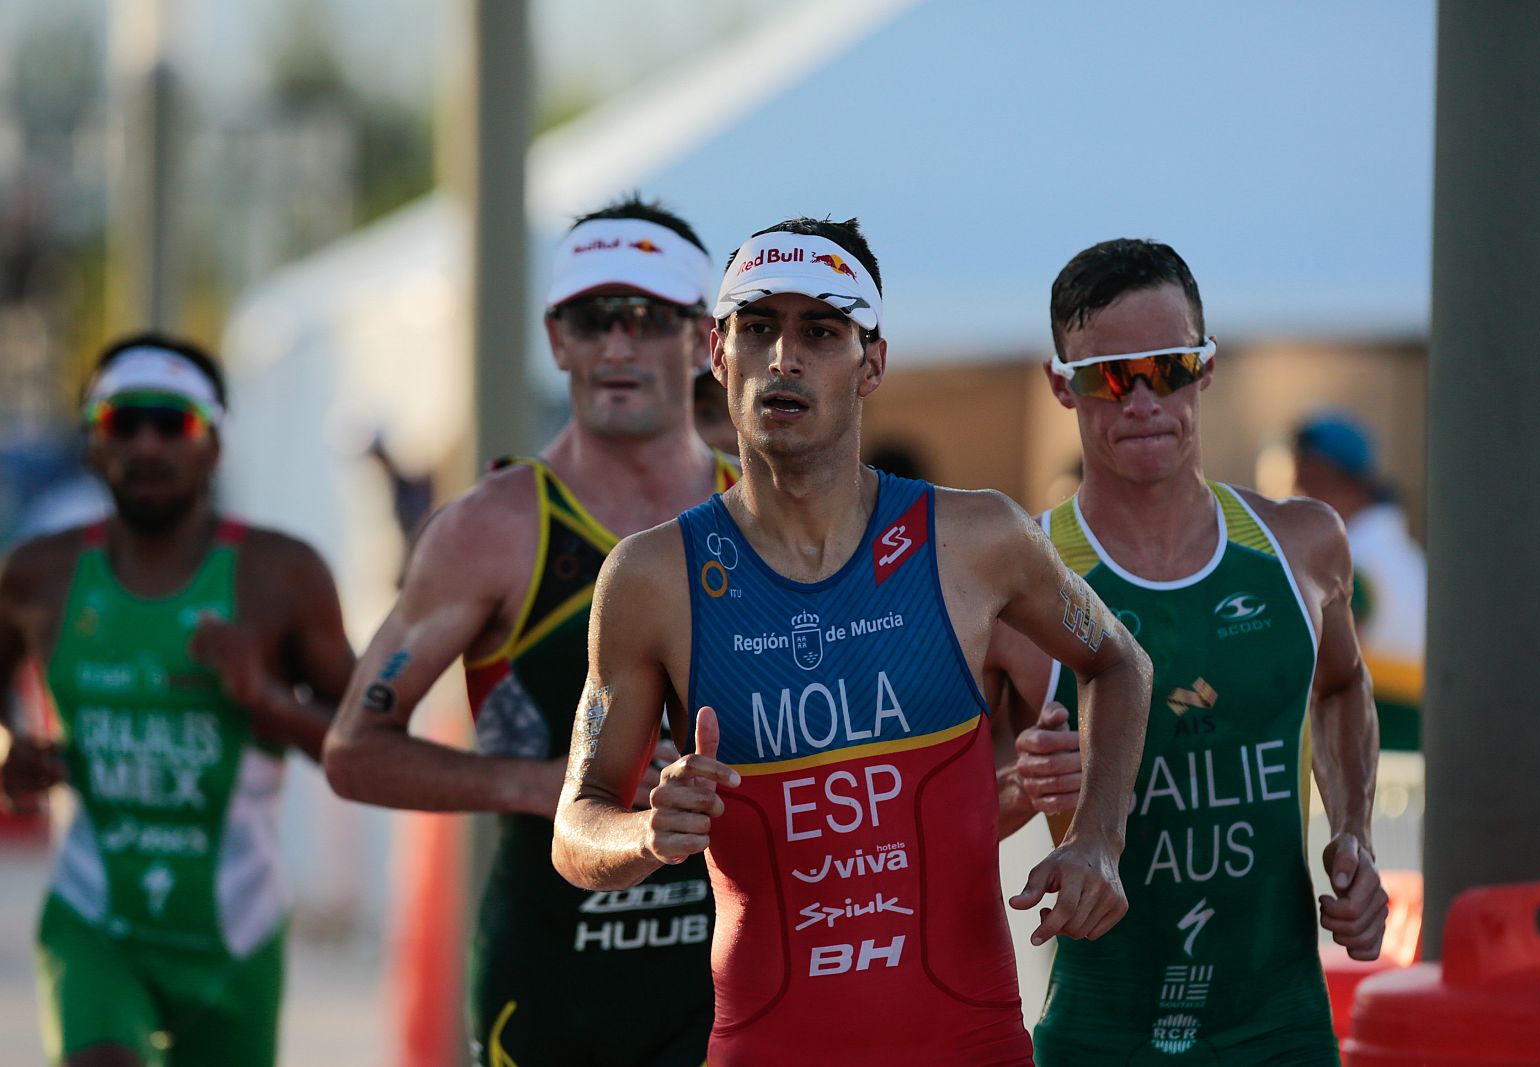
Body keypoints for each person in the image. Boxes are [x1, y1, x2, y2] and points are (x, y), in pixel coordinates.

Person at [551, 216, 1153, 1065]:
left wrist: (1099, 835)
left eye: (821, 331)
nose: (784, 359)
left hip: (966, 1043)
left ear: (872, 362)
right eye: (758, 328)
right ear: (718, 354)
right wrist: (648, 831)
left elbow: (1119, 659)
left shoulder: (976, 538)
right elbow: (575, 827)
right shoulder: (651, 579)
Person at [322, 197, 736, 1067]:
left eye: (648, 317)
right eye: (593, 320)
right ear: (558, 340)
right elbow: (354, 748)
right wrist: (543, 785)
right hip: (555, 986)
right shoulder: (495, 528)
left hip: (732, 986)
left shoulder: (762, 512)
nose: (617, 347)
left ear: (707, 339)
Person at [986, 239, 1387, 1065]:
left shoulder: (1303, 546)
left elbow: (1342, 687)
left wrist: (1354, 834)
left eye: (1165, 367)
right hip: (1102, 1032)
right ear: (1061, 385)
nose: (1139, 399)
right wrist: (1023, 788)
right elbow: (940, 820)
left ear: (1205, 368)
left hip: (1281, 1027)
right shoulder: (1013, 588)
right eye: (1107, 375)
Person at [0, 334, 353, 1067]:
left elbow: (369, 746)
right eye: (124, 422)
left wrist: (266, 700)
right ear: (94, 443)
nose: (149, 443)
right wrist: (9, 751)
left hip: (236, 935)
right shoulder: (41, 574)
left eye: (174, 421)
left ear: (215, 442)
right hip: (97, 919)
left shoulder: (280, 575)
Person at [1292, 413, 1426, 751]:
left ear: (1352, 486)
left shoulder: (1352, 560)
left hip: (1375, 756)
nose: (1297, 498)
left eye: (1311, 483)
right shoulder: (1407, 556)